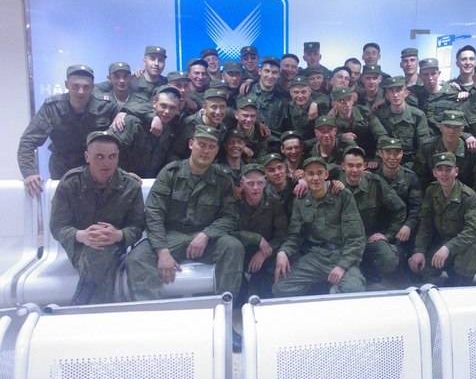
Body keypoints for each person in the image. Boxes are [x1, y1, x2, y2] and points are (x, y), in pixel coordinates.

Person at [126, 124, 244, 301]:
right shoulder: (170, 173)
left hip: (205, 237)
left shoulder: (222, 179)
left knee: (233, 247)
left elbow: (230, 216)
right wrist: (162, 252)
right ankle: (149, 309)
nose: (206, 151)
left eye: (211, 147)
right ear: (191, 144)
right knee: (137, 258)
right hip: (170, 235)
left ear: (217, 150)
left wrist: (206, 234)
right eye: (201, 145)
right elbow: (154, 213)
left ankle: (225, 304)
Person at [50, 130, 144, 304]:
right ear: (87, 157)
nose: (106, 163)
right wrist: (82, 236)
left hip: (115, 245)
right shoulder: (70, 183)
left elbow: (137, 227)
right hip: (78, 245)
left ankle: (80, 307)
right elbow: (57, 227)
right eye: (99, 157)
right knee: (99, 253)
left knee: (101, 251)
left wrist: (119, 235)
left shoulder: (130, 186)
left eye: (112, 156)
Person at [18, 64, 119, 196]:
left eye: (86, 87)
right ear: (67, 85)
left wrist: (125, 173)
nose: (81, 91)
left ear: (93, 87)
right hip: (62, 172)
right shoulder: (52, 108)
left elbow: (122, 143)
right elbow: (28, 140)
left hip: (97, 173)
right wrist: (29, 173)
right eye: (75, 86)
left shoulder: (107, 107)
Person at [272, 157, 366, 296]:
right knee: (280, 288)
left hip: (341, 254)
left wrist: (342, 266)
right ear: (304, 177)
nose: (315, 178)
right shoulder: (300, 200)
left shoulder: (342, 195)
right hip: (316, 256)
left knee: (354, 290)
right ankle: (316, 290)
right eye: (310, 174)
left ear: (326, 174)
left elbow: (356, 237)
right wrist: (283, 252)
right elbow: (295, 235)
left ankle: (336, 290)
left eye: (319, 173)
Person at [408, 152, 476, 286]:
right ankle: (449, 268)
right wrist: (419, 251)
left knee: (463, 272)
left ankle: (459, 275)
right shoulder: (431, 191)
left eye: (448, 169)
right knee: (423, 272)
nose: (444, 174)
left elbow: (474, 230)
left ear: (456, 171)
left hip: (466, 244)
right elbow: (426, 224)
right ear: (434, 173)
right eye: (440, 170)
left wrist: (448, 248)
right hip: (443, 241)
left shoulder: (468, 196)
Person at [339, 146, 406, 280]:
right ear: (343, 166)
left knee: (389, 260)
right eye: (350, 165)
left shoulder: (375, 183)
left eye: (359, 165)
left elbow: (399, 208)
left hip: (367, 239)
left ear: (365, 166)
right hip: (342, 242)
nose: (354, 170)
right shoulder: (335, 185)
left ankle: (368, 266)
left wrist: (387, 235)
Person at [235, 163, 288, 299]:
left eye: (260, 183)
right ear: (242, 184)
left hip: (267, 252)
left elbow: (282, 234)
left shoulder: (274, 202)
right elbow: (228, 230)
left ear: (265, 184)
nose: (255, 188)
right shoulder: (234, 202)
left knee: (266, 285)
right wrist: (256, 239)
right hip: (240, 252)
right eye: (250, 183)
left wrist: (264, 253)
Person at [112, 86, 180, 178]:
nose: (167, 111)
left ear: (177, 109)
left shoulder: (171, 129)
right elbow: (110, 153)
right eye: (163, 106)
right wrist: (122, 175)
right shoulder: (132, 123)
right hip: (123, 178)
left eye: (172, 108)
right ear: (154, 103)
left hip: (151, 180)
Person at [375, 137, 423, 261]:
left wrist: (408, 225)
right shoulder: (373, 177)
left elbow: (416, 207)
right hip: (380, 228)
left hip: (403, 229)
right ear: (380, 153)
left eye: (396, 153)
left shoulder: (410, 177)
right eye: (388, 152)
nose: (392, 157)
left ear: (402, 154)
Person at [415, 110, 476, 190]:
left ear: (462, 130)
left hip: (464, 193)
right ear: (441, 128)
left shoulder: (470, 149)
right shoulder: (428, 148)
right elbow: (420, 177)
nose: (451, 131)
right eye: (448, 126)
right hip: (433, 193)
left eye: (456, 127)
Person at [372, 75, 429, 166]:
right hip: (387, 161)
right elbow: (381, 140)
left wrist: (418, 165)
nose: (395, 95)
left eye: (399, 90)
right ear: (387, 95)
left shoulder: (418, 115)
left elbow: (423, 144)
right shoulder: (379, 116)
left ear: (406, 93)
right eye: (391, 91)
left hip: (411, 162)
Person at [412, 58, 463, 135]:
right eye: (426, 74)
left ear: (439, 73)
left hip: (442, 138)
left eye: (433, 74)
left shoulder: (451, 94)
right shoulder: (415, 93)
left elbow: (459, 121)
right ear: (420, 76)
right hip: (421, 138)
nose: (430, 78)